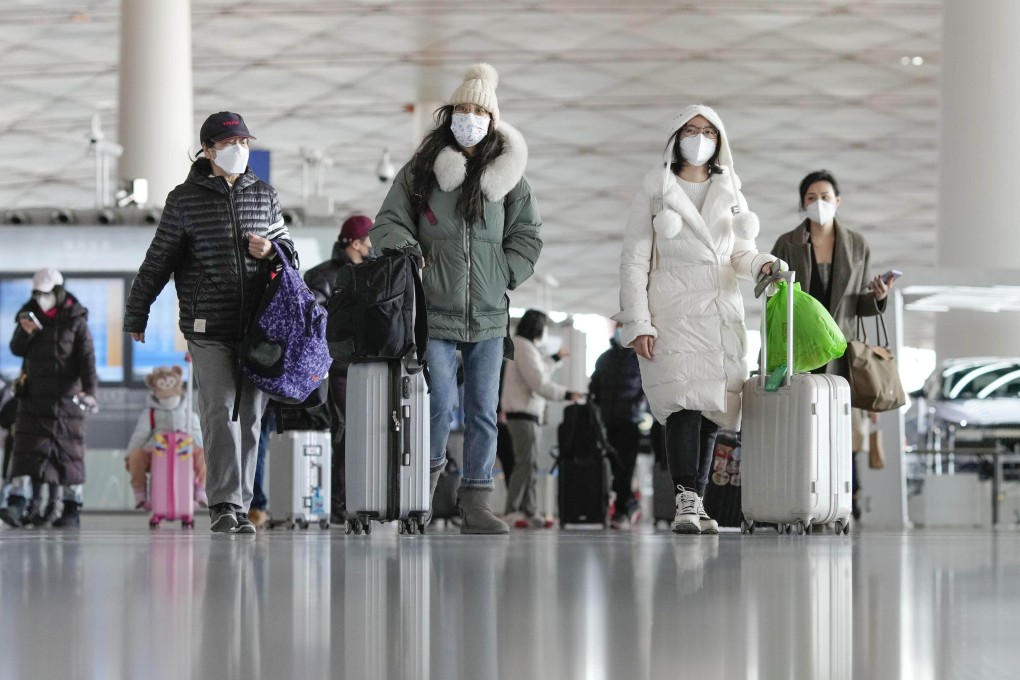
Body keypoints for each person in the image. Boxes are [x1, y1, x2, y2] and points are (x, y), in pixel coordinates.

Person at [372, 63, 543, 534]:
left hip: (489, 316)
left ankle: (476, 502)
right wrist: (409, 251)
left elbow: (528, 234)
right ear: (449, 115)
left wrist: (505, 273)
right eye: (462, 109)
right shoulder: (422, 172)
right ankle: (421, 498)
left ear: (492, 120)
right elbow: (387, 222)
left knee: (484, 412)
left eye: (478, 111)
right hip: (435, 313)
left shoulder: (510, 179)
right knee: (440, 404)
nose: (469, 118)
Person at [124, 111, 298, 535]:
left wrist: (271, 252)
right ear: (208, 150)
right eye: (230, 143)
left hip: (258, 327)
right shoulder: (184, 200)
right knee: (220, 410)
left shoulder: (266, 195)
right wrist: (138, 310)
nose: (240, 149)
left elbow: (290, 254)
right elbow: (158, 260)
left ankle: (241, 505)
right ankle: (223, 503)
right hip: (208, 327)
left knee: (253, 415)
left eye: (244, 142)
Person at [615, 105, 785, 535]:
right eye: (691, 130)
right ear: (676, 137)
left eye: (708, 131)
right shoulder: (656, 188)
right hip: (670, 314)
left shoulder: (730, 190)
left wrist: (764, 264)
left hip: (717, 313)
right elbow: (634, 259)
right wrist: (639, 323)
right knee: (682, 407)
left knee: (714, 412)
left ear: (719, 140)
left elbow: (740, 253)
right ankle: (685, 497)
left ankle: (699, 500)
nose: (699, 137)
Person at [771, 169, 895, 520]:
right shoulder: (787, 244)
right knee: (802, 427)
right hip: (801, 348)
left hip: (842, 349)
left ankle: (846, 501)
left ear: (837, 201)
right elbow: (774, 298)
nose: (819, 204)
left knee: (844, 429)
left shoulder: (857, 245)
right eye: (811, 198)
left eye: (825, 197)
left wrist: (879, 297)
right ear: (802, 204)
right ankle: (803, 499)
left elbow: (860, 304)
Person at [0, 268, 97, 528]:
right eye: (36, 294)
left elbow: (87, 359)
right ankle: (18, 502)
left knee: (68, 454)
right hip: (33, 398)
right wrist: (26, 331)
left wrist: (90, 392)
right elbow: (16, 349)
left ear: (57, 292)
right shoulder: (28, 315)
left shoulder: (76, 319)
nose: (40, 298)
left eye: (45, 293)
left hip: (67, 401)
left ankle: (70, 507)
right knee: (26, 451)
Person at [304, 214, 375, 523]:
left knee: (358, 433)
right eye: (370, 241)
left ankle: (352, 499)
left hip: (363, 366)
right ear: (356, 243)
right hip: (338, 369)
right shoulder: (323, 276)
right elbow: (312, 321)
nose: (375, 247)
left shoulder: (370, 275)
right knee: (343, 431)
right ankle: (339, 503)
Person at [500, 309, 582, 528]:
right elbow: (538, 382)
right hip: (523, 413)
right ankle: (513, 510)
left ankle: (529, 510)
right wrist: (566, 394)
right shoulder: (523, 347)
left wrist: (555, 358)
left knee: (530, 464)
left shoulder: (525, 347)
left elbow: (538, 369)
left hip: (527, 413)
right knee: (524, 464)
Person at [589, 322, 648, 529]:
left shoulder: (640, 359)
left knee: (625, 467)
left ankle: (624, 509)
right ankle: (625, 505)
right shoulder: (605, 359)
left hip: (630, 421)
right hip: (607, 422)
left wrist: (639, 407)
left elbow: (647, 389)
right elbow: (594, 388)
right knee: (613, 467)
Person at [125, 365, 207, 509]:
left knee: (204, 455)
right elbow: (139, 436)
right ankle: (140, 492)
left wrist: (194, 445)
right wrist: (130, 455)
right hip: (157, 451)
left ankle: (201, 488)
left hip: (183, 451)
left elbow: (198, 437)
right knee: (136, 455)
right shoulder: (150, 413)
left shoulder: (188, 413)